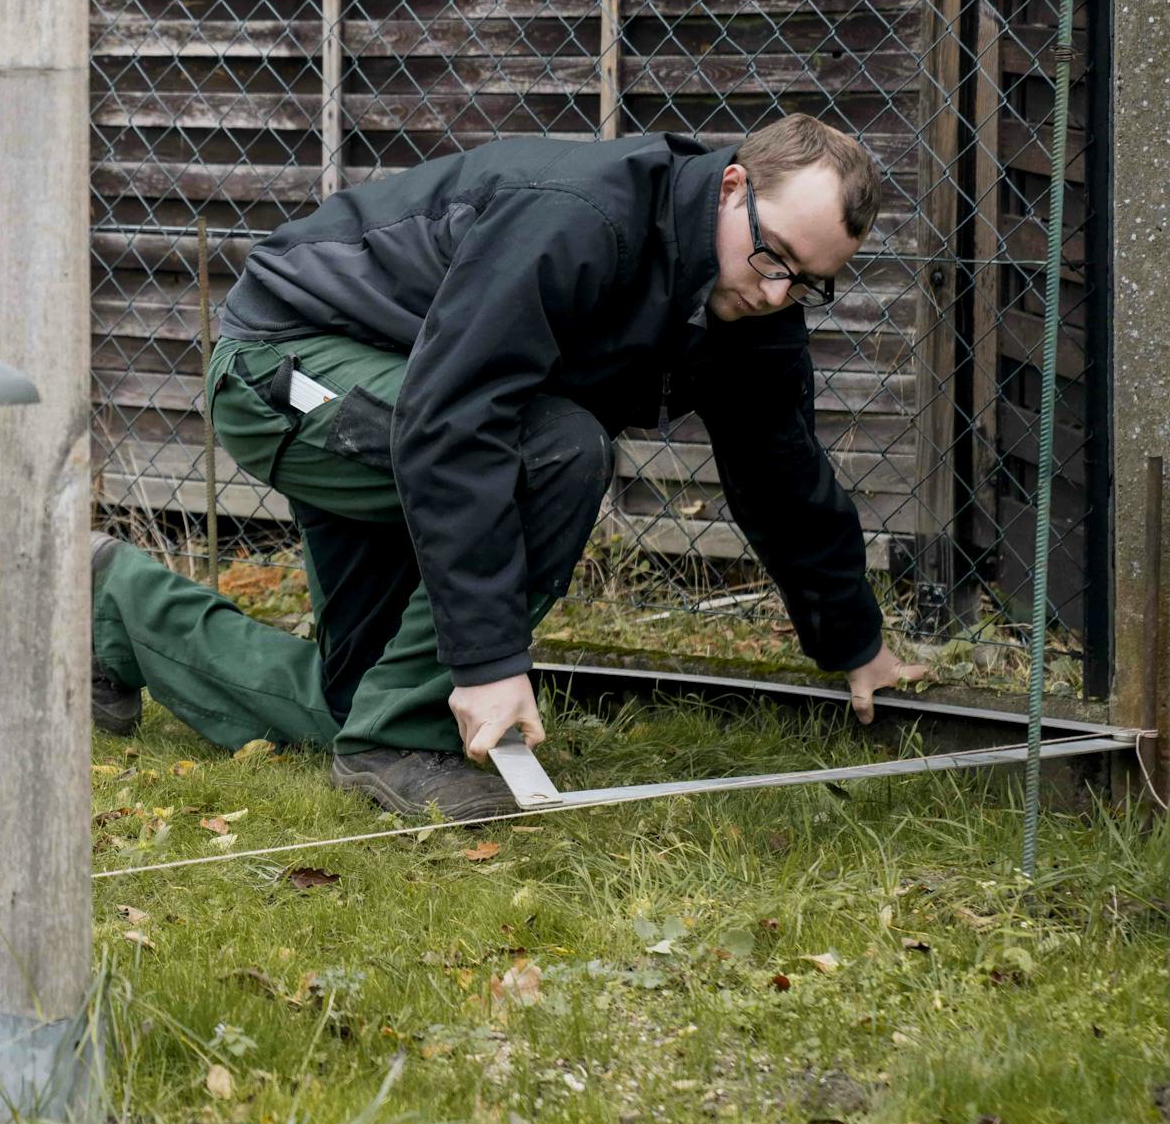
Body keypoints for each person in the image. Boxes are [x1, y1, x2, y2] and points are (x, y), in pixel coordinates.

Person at [88, 114, 931, 819]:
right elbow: (457, 421)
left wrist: (854, 640)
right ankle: (397, 739)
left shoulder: (746, 298)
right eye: (775, 257)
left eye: (810, 283)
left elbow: (779, 465)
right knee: (559, 451)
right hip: (291, 370)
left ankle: (119, 601)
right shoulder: (581, 218)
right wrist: (489, 666)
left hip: (402, 402)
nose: (778, 293)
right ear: (733, 187)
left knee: (357, 698)